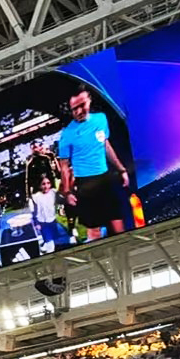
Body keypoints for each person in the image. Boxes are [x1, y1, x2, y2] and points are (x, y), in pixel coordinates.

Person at [56, 87, 130, 240]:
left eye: (82, 105)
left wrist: (121, 170)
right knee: (94, 230)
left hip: (105, 179)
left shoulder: (101, 119)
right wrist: (68, 192)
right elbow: (64, 165)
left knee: (117, 223)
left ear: (89, 101)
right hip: (86, 185)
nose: (78, 111)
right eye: (74, 108)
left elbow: (105, 145)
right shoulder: (67, 134)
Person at [30, 175, 67, 251]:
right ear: (40, 185)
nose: (46, 186)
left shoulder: (53, 192)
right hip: (43, 223)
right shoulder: (36, 197)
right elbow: (34, 212)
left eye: (48, 183)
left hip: (53, 220)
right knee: (49, 242)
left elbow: (60, 202)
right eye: (43, 184)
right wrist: (36, 223)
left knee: (57, 240)